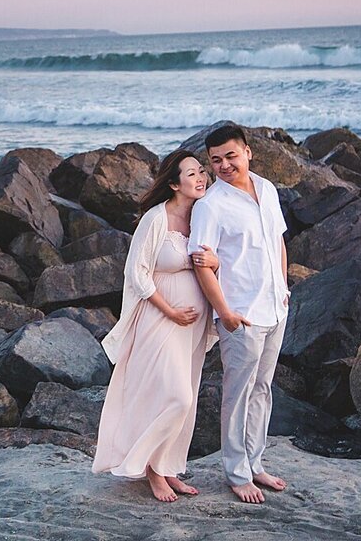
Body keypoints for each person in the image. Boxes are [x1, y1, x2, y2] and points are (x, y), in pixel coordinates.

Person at [93, 149, 219, 502]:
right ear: (174, 183)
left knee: (187, 397)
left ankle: (168, 467)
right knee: (174, 396)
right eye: (192, 173)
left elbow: (214, 261)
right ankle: (148, 469)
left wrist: (216, 261)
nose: (201, 177)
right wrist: (170, 311)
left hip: (193, 327)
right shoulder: (155, 219)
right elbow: (137, 274)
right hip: (160, 321)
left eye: (201, 172)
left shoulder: (202, 217)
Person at [189, 124, 291, 504]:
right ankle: (236, 472)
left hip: (274, 308)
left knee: (263, 389)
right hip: (241, 316)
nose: (224, 165)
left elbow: (277, 240)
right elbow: (201, 263)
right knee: (237, 394)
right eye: (215, 160)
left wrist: (283, 289)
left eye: (230, 156)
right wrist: (225, 314)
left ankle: (256, 463)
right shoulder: (211, 205)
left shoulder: (267, 189)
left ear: (248, 152)